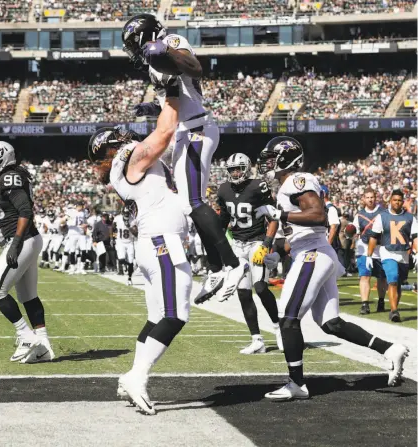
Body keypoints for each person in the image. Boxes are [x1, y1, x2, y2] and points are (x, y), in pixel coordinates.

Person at [255, 136, 409, 401]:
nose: (267, 165)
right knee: (331, 323)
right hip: (312, 252)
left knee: (288, 318)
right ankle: (390, 348)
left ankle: (296, 383)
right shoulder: (284, 188)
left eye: (271, 159)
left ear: (285, 159)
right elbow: (298, 232)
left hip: (313, 254)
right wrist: (275, 252)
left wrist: (280, 215)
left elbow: (318, 216)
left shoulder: (297, 180)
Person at [122, 13, 248, 303]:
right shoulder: (154, 64)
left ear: (144, 35)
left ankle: (233, 263)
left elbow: (195, 69)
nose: (132, 51)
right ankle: (216, 268)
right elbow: (177, 98)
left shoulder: (170, 41)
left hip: (197, 129)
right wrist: (154, 109)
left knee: (193, 201)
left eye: (132, 43)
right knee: (187, 204)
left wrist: (165, 49)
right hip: (185, 131)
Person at [88, 95, 190, 416]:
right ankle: (138, 376)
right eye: (119, 137)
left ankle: (131, 375)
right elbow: (164, 134)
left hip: (152, 242)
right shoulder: (128, 158)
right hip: (162, 242)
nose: (126, 136)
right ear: (112, 147)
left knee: (157, 318)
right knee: (176, 315)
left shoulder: (122, 167)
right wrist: (171, 97)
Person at [0, 141, 54, 363]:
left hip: (21, 239)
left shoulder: (8, 177)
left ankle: (25, 336)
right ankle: (44, 346)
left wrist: (15, 244)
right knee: (28, 296)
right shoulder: (12, 176)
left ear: (1, 158)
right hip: (29, 239)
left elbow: (25, 211)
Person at [216, 153, 282, 353]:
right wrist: (217, 242)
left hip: (256, 242)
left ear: (246, 168)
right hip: (237, 244)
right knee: (243, 292)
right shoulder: (224, 189)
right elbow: (224, 219)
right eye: (231, 169)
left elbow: (274, 217)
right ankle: (257, 339)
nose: (235, 172)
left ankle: (279, 328)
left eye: (238, 168)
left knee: (260, 287)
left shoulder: (258, 186)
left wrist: (266, 244)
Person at [367, 190, 418, 322]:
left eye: (399, 200)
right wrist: (369, 255)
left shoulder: (410, 217)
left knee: (398, 283)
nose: (397, 202)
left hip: (403, 254)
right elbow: (373, 237)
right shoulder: (382, 216)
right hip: (387, 252)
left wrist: (417, 253)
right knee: (393, 279)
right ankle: (394, 311)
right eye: (394, 200)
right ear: (390, 201)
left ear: (403, 201)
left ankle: (393, 309)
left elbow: (415, 237)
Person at [353, 188, 387, 315]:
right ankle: (365, 304)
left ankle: (381, 301)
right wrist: (349, 231)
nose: (370, 199)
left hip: (380, 249)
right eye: (367, 197)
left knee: (382, 278)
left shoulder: (383, 213)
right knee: (364, 276)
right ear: (363, 199)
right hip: (364, 248)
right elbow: (355, 231)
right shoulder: (359, 215)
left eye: (372, 197)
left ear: (375, 197)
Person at [114, 207, 136, 286]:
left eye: (128, 213)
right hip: (120, 242)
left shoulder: (133, 219)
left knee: (131, 261)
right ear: (122, 213)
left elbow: (136, 233)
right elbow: (113, 228)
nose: (126, 215)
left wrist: (129, 227)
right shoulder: (118, 218)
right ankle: (126, 266)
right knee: (121, 259)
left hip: (130, 242)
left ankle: (129, 278)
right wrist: (112, 238)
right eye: (125, 213)